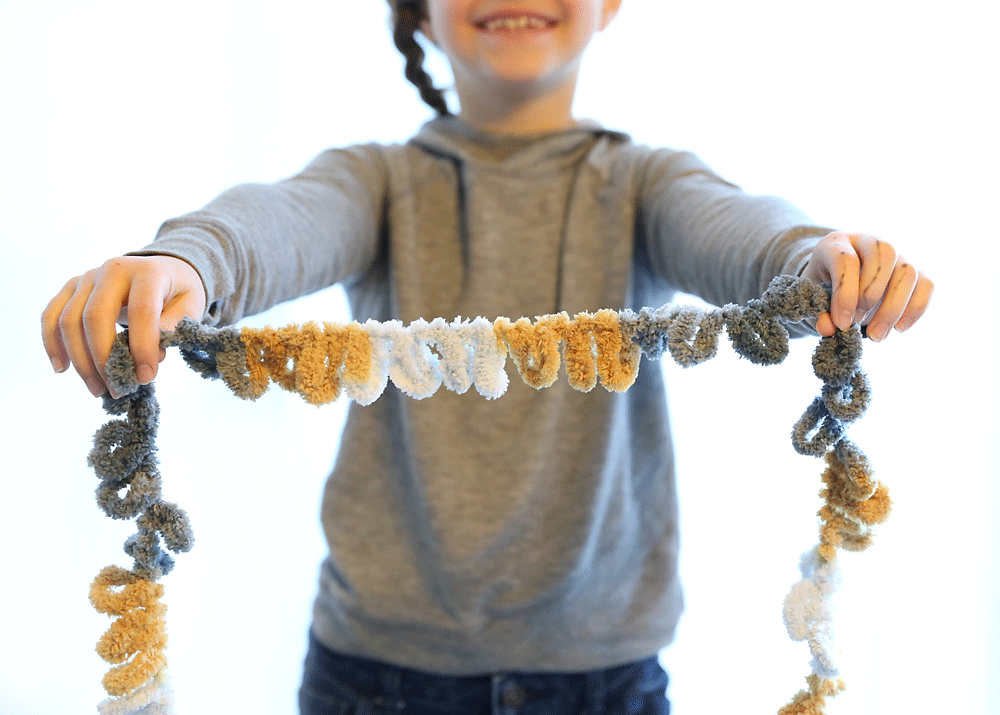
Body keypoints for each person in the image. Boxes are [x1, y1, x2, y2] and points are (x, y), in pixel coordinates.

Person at [40, 1, 934, 713]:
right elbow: (278, 220)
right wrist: (185, 261)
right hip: (374, 677)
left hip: (607, 679)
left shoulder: (646, 184)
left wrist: (817, 259)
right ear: (419, 13)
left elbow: (746, 231)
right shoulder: (378, 182)